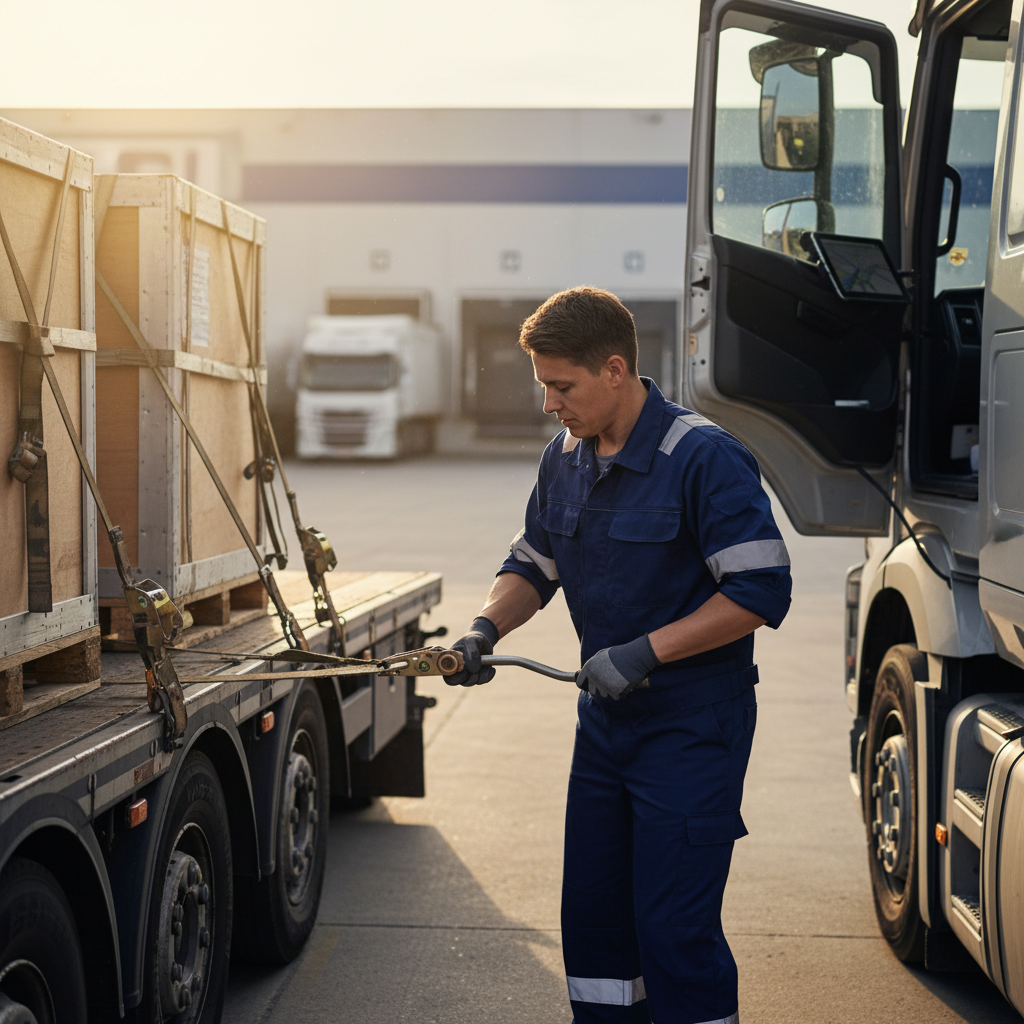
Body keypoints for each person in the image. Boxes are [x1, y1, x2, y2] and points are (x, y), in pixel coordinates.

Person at [447, 287, 791, 1024]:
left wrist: (645, 653)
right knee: (597, 924)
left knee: (673, 930)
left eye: (560, 386)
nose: (549, 405)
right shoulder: (563, 458)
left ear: (614, 369)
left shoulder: (704, 457)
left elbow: (761, 591)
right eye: (543, 385)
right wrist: (482, 630)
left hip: (691, 726)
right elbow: (535, 563)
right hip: (604, 729)